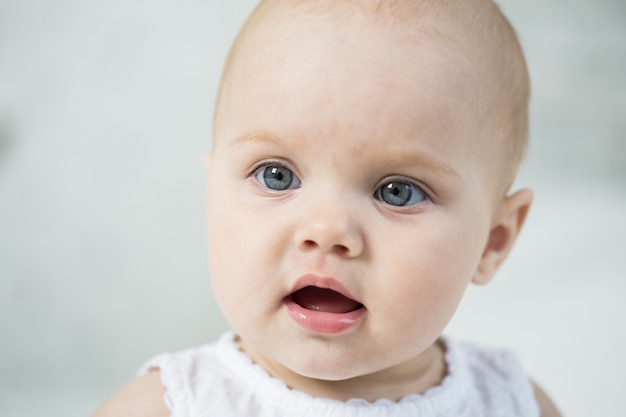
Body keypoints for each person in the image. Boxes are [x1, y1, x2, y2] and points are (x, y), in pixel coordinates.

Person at [93, 0, 562, 415]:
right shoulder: (171, 406)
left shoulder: (513, 403)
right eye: (277, 176)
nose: (327, 229)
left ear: (492, 242)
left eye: (398, 191)